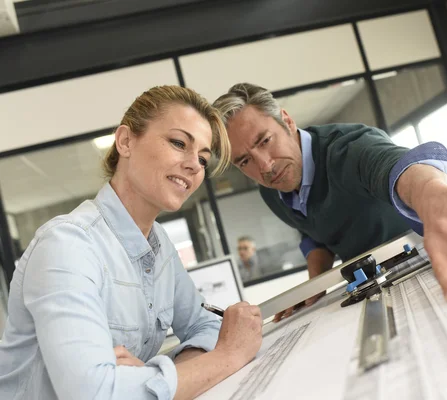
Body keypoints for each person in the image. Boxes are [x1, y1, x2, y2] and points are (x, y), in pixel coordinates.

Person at [0, 86, 262, 400]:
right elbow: (96, 394)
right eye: (179, 143)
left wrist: (149, 377)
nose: (195, 165)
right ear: (125, 141)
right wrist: (227, 357)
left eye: (203, 159)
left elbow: (204, 324)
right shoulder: (67, 246)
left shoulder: (159, 245)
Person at [213, 83, 447, 321]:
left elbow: (395, 166)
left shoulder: (349, 148)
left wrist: (432, 194)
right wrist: (314, 286)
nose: (265, 166)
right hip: (379, 289)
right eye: (245, 160)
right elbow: (313, 231)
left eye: (264, 141)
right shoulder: (270, 190)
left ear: (287, 122)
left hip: (438, 263)